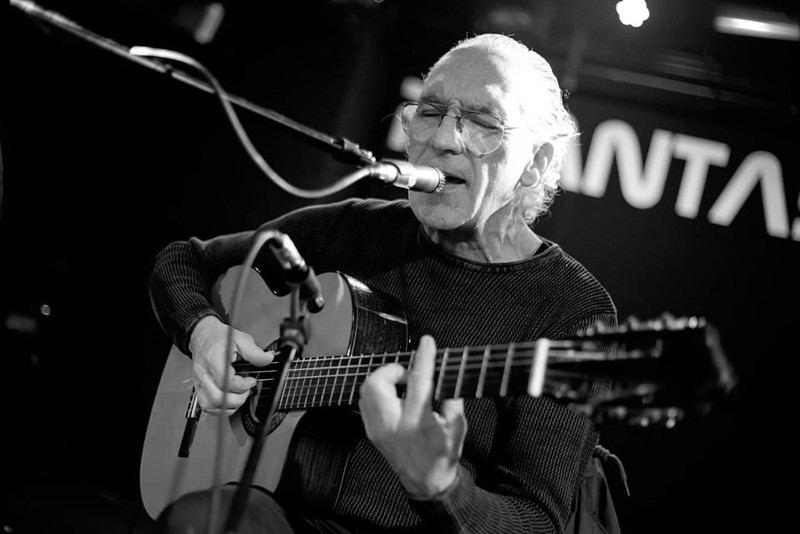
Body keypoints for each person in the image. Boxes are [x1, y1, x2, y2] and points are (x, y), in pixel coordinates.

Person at [148, 33, 621, 533]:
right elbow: (182, 262)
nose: (443, 139)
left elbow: (537, 521)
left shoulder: (572, 309)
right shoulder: (355, 226)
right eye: (430, 111)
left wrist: (442, 487)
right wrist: (204, 333)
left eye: (483, 122)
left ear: (536, 163)